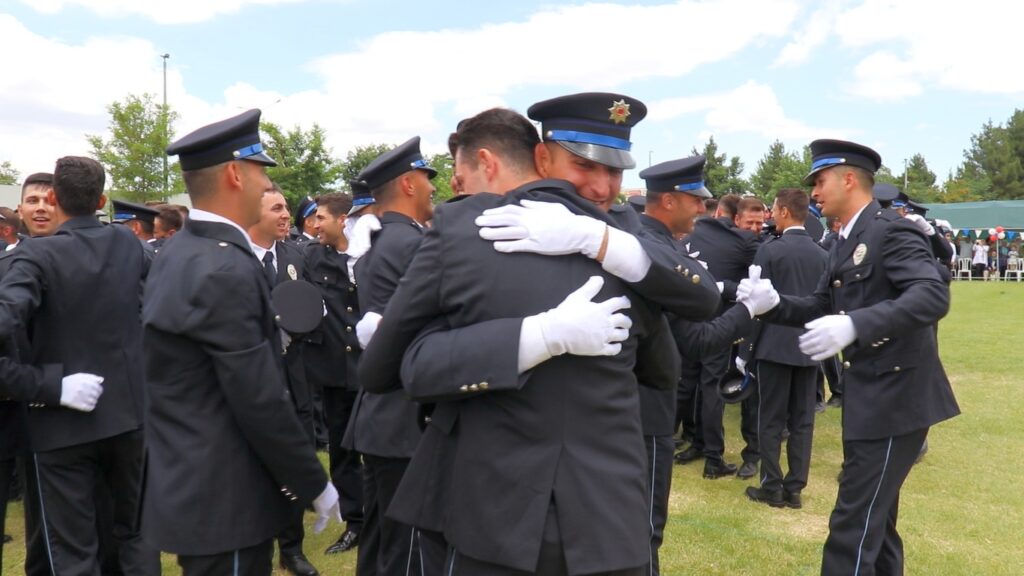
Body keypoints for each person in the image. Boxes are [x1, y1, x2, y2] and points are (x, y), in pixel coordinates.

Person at [359, 100, 720, 576]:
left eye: (614, 171)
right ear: (543, 158)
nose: (601, 185)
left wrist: (599, 242)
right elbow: (661, 370)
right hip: (585, 520)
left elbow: (383, 369)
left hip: (516, 516)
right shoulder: (478, 229)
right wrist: (538, 336)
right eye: (585, 164)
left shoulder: (618, 240)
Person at [740, 138, 960, 575]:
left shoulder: (889, 230)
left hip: (897, 400)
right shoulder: (843, 240)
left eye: (820, 182)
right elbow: (820, 304)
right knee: (878, 523)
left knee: (852, 524)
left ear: (848, 179)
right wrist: (773, 303)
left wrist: (859, 324)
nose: (815, 193)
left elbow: (932, 295)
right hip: (871, 397)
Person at [144, 109, 340, 576]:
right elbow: (255, 394)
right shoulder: (223, 266)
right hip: (225, 490)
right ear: (235, 174)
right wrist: (314, 482)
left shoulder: (185, 250)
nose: (266, 187)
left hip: (197, 479)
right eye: (261, 172)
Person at [0, 157, 158, 575]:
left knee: (72, 553)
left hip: (61, 429)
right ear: (102, 200)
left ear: (54, 198)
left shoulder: (34, 256)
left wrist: (48, 385)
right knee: (136, 539)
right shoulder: (128, 244)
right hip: (126, 419)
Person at [344, 136, 442, 576]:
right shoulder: (413, 245)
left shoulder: (381, 241)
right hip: (406, 414)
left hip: (381, 415)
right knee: (409, 548)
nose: (432, 188)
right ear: (407, 183)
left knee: (382, 538)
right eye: (425, 178)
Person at [248, 184, 322, 576]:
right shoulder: (238, 258)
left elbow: (309, 306)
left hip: (294, 378)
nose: (284, 216)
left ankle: (291, 549)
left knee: (296, 459)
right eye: (276, 208)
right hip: (254, 380)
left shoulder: (295, 254)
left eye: (285, 209)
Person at [740, 188, 827, 509]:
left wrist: (745, 350)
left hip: (774, 345)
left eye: (773, 210)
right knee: (803, 421)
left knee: (771, 419)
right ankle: (794, 488)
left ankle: (771, 485)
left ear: (786, 212)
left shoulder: (770, 251)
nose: (770, 215)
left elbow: (756, 302)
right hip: (809, 347)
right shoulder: (822, 254)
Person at [674, 192, 759, 479]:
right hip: (720, 321)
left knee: (687, 383)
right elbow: (755, 281)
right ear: (736, 218)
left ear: (716, 212)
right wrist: (727, 288)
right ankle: (712, 457)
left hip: (687, 318)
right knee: (711, 387)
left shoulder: (689, 236)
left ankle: (687, 440)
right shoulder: (743, 242)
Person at [303, 190, 365, 556]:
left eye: (321, 217)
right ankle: (355, 523)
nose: (315, 225)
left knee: (377, 451)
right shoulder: (312, 257)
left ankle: (382, 519)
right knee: (342, 453)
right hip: (335, 372)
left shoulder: (370, 255)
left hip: (371, 368)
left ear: (343, 219)